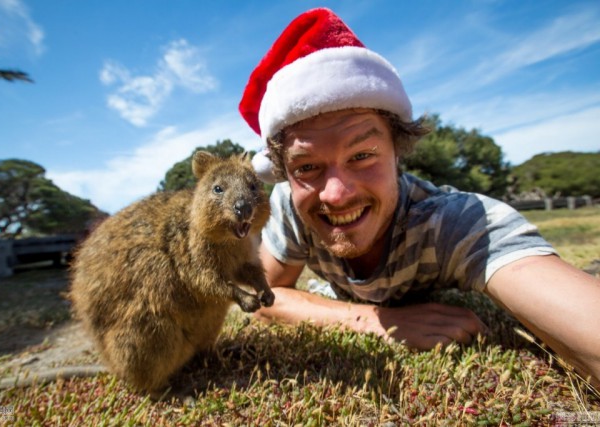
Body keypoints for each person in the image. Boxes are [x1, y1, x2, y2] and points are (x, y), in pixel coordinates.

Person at [238, 8, 600, 384]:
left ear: (398, 150)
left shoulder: (454, 221)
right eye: (307, 168)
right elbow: (263, 296)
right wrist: (374, 321)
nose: (336, 194)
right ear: (284, 173)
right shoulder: (289, 204)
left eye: (362, 156)